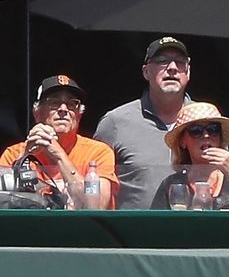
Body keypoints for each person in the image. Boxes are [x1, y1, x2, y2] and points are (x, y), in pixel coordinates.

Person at [94, 36, 194, 210]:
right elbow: (94, 185)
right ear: (146, 72)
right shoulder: (115, 122)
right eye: (162, 61)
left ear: (188, 71)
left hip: (195, 233)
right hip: (134, 234)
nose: (172, 68)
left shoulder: (207, 121)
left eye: (179, 62)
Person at [0, 75, 117, 210]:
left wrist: (59, 154)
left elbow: (97, 208)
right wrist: (25, 156)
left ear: (79, 115)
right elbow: (5, 204)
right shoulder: (13, 153)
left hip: (81, 229)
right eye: (54, 102)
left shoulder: (98, 153)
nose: (63, 109)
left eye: (72, 103)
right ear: (36, 113)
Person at [149, 102, 229, 209]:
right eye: (196, 131)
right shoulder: (173, 183)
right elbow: (156, 227)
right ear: (182, 141)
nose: (206, 135)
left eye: (213, 129)